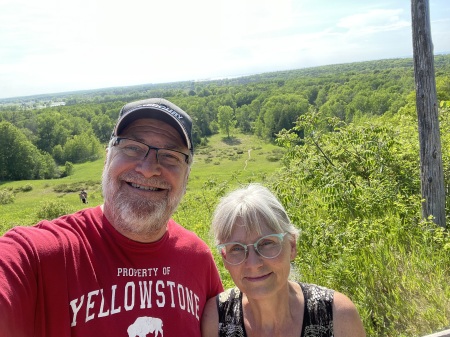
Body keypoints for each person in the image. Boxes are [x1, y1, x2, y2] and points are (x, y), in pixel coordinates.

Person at [0, 98, 223, 337]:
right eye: (132, 148)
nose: (148, 169)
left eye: (170, 156)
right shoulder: (37, 256)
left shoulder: (199, 260)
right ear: (107, 158)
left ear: (186, 177)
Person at [201, 184, 366, 337]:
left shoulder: (337, 315)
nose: (253, 263)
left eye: (266, 243)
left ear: (292, 246)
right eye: (236, 248)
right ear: (225, 258)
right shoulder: (216, 319)